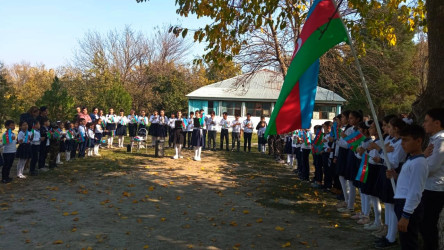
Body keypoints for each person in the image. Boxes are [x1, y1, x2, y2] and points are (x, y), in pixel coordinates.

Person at [386, 124, 428, 250]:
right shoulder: (411, 159)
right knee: (405, 241)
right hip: (403, 203)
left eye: (406, 140)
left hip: (408, 206)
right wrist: (396, 176)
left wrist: (406, 215)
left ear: (418, 141)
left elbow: (415, 191)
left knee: (409, 243)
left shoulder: (418, 163)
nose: (402, 144)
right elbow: (409, 182)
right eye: (402, 140)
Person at [373, 117, 407, 248]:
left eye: (390, 127)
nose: (388, 130)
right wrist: (384, 152)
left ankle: (392, 237)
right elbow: (385, 156)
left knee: (392, 205)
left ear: (396, 129)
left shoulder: (400, 143)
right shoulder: (392, 140)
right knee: (387, 203)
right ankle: (388, 233)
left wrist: (383, 152)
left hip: (394, 171)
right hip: (386, 170)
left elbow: (394, 161)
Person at [421, 108, 444, 250]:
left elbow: (430, 168)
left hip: (435, 188)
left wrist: (421, 158)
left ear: (437, 123)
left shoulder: (441, 141)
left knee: (428, 225)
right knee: (424, 225)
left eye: (426, 121)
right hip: (428, 186)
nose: (424, 124)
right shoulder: (434, 139)